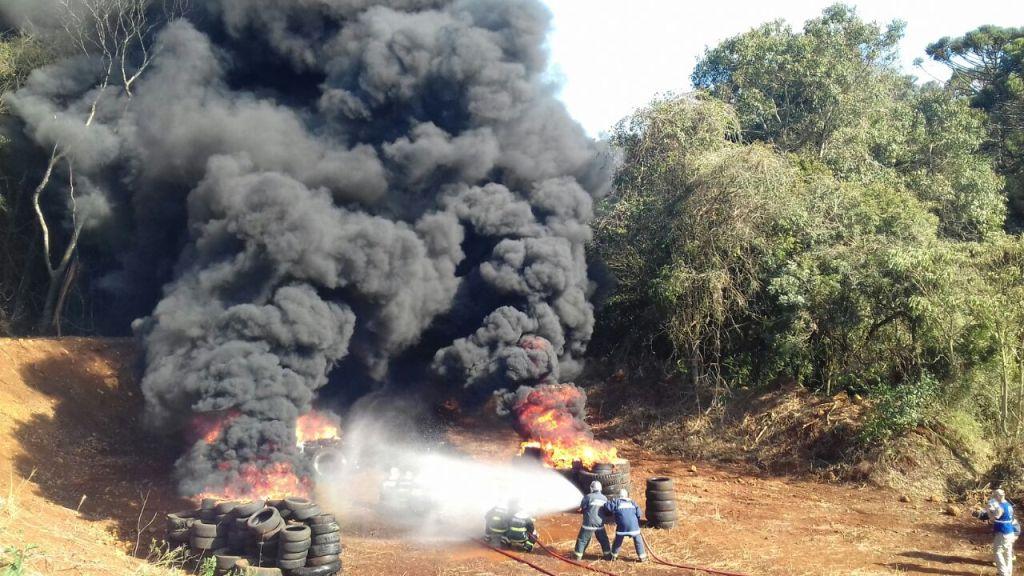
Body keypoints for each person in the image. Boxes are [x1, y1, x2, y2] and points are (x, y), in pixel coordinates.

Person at [974, 488, 1020, 576]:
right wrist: (982, 514)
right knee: (1007, 553)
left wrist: (986, 511)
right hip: (1010, 532)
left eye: (995, 495)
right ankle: (1008, 573)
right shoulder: (1008, 505)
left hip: (1003, 533)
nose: (994, 497)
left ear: (999, 496)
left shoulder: (1000, 507)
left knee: (997, 552)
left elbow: (993, 518)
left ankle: (1003, 574)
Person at [603, 488, 647, 562]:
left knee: (618, 541)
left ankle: (614, 555)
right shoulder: (632, 502)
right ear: (627, 496)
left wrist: (609, 501)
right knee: (638, 540)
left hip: (622, 528)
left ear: (619, 496)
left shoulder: (617, 502)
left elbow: (607, 507)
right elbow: (639, 514)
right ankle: (642, 557)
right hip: (634, 527)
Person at [574, 481, 611, 560]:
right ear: (600, 489)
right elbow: (607, 510)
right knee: (604, 540)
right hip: (599, 524)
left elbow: (582, 508)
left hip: (588, 523)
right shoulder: (604, 498)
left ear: (591, 488)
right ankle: (608, 555)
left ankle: (577, 556)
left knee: (582, 539)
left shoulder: (588, 497)